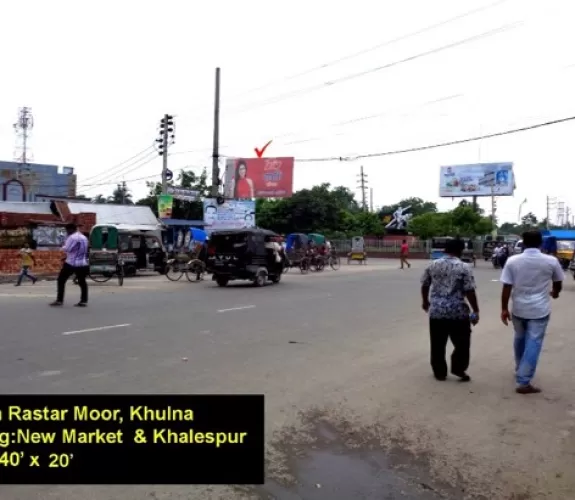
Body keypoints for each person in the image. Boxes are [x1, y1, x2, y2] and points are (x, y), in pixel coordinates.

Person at [500, 230, 564, 394]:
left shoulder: (512, 261)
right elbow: (558, 282)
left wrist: (504, 309)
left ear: (523, 242)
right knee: (533, 343)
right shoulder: (551, 261)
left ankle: (520, 368)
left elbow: (506, 286)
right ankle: (523, 381)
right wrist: (555, 293)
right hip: (539, 310)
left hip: (519, 309)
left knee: (520, 338)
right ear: (541, 242)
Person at [421, 238, 479, 382]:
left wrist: (425, 301)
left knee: (437, 343)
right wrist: (475, 310)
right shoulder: (464, 267)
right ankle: (458, 368)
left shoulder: (433, 265)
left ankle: (440, 372)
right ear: (460, 250)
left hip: (437, 311)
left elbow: (425, 284)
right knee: (462, 343)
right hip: (457, 312)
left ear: (445, 250)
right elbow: (469, 290)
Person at [50, 223, 89, 307]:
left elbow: (67, 249)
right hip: (83, 263)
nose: (67, 232)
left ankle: (59, 300)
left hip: (71, 263)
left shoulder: (72, 237)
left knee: (61, 280)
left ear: (70, 229)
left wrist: (62, 246)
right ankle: (84, 300)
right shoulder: (84, 237)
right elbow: (82, 250)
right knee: (82, 282)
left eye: (67, 230)